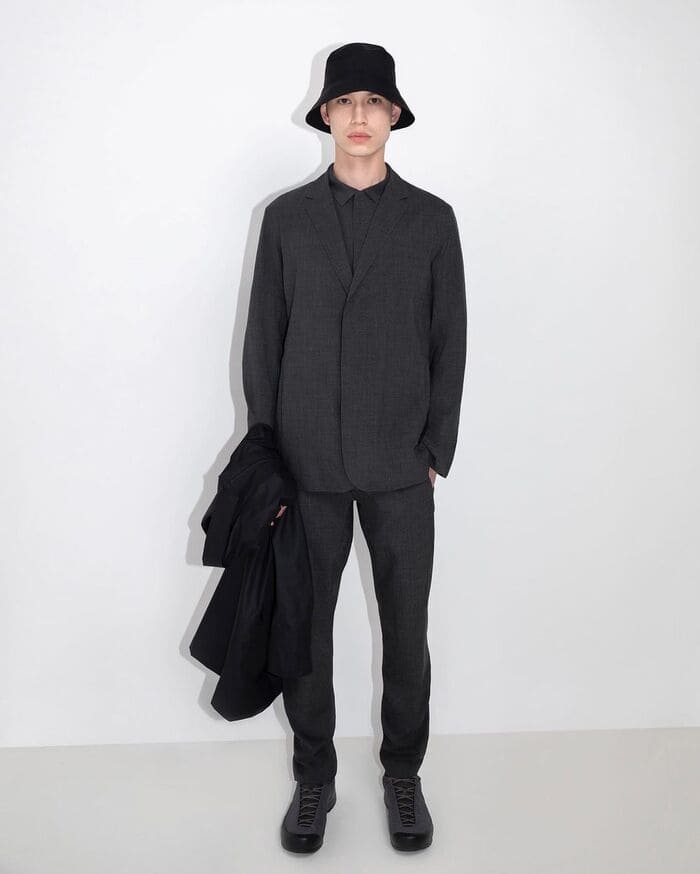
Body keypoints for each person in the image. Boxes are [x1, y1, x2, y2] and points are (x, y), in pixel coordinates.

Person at [241, 42, 467, 853]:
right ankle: (315, 778)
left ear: (394, 115)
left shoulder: (431, 220)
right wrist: (269, 460)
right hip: (306, 469)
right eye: (346, 102)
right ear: (327, 115)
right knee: (306, 631)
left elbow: (449, 340)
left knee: (406, 632)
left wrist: (435, 447)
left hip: (401, 465)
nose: (360, 116)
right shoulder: (287, 220)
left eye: (375, 101)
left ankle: (403, 772)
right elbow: (263, 343)